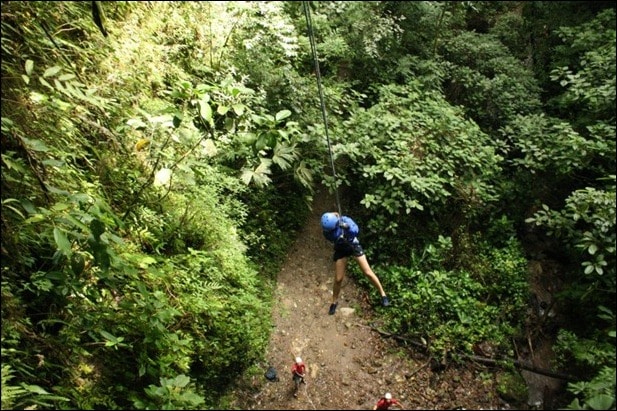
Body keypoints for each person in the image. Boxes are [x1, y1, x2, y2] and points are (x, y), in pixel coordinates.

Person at [321, 211, 390, 315]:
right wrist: (340, 234)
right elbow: (332, 237)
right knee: (338, 279)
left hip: (353, 244)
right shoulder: (327, 231)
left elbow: (355, 230)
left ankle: (383, 294)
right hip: (341, 248)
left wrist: (347, 228)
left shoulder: (345, 220)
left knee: (367, 272)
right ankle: (334, 302)